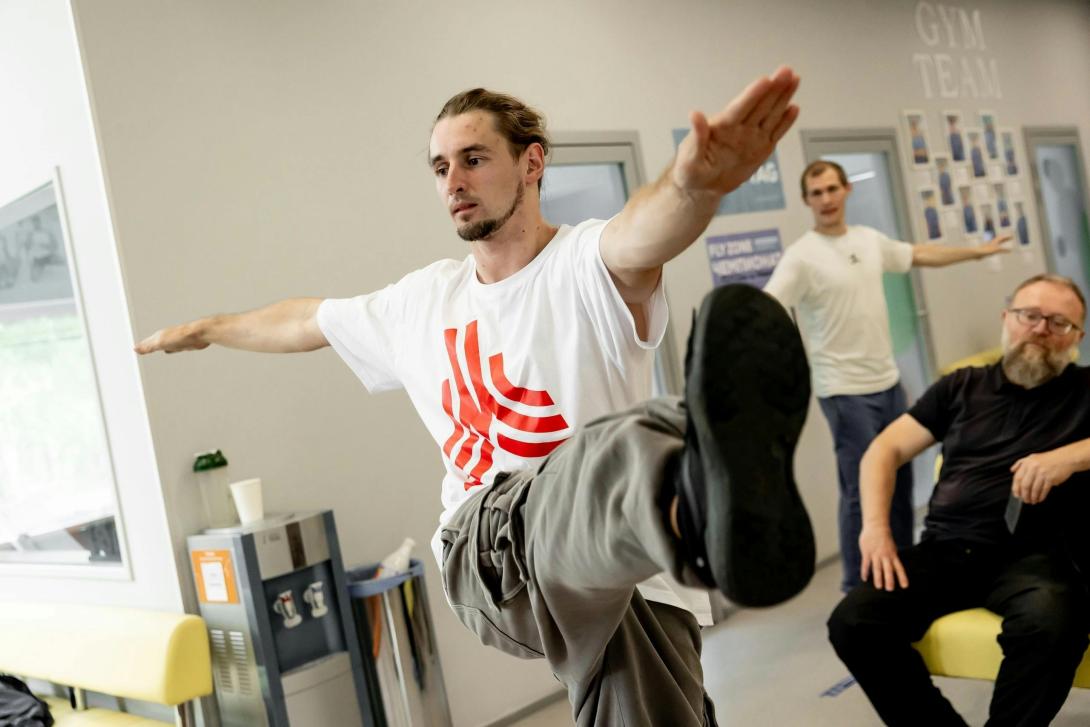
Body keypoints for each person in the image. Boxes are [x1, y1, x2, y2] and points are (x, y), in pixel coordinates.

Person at [136, 69, 817, 726]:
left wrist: (692, 185)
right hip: (488, 552)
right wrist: (207, 329)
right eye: (439, 168)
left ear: (531, 163)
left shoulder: (582, 266)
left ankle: (698, 503)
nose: (453, 182)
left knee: (662, 700)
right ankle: (693, 490)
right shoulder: (423, 301)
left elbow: (642, 233)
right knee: (622, 446)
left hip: (628, 561)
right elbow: (306, 320)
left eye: (472, 158)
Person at [828, 274, 1090, 727]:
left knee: (1052, 622)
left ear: (1077, 338)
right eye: (1030, 315)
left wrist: (1071, 456)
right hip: (947, 549)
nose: (1041, 329)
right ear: (1006, 318)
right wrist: (874, 528)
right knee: (854, 622)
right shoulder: (960, 387)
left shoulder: (1086, 389)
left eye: (1059, 322)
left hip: (1038, 554)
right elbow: (882, 452)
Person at [763, 160, 1009, 592]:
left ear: (845, 192)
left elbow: (918, 254)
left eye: (832, 189)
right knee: (862, 487)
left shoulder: (868, 240)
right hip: (843, 390)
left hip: (888, 383)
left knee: (898, 479)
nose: (825, 199)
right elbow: (769, 305)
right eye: (816, 193)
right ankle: (859, 583)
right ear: (806, 201)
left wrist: (977, 252)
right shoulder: (801, 256)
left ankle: (897, 565)